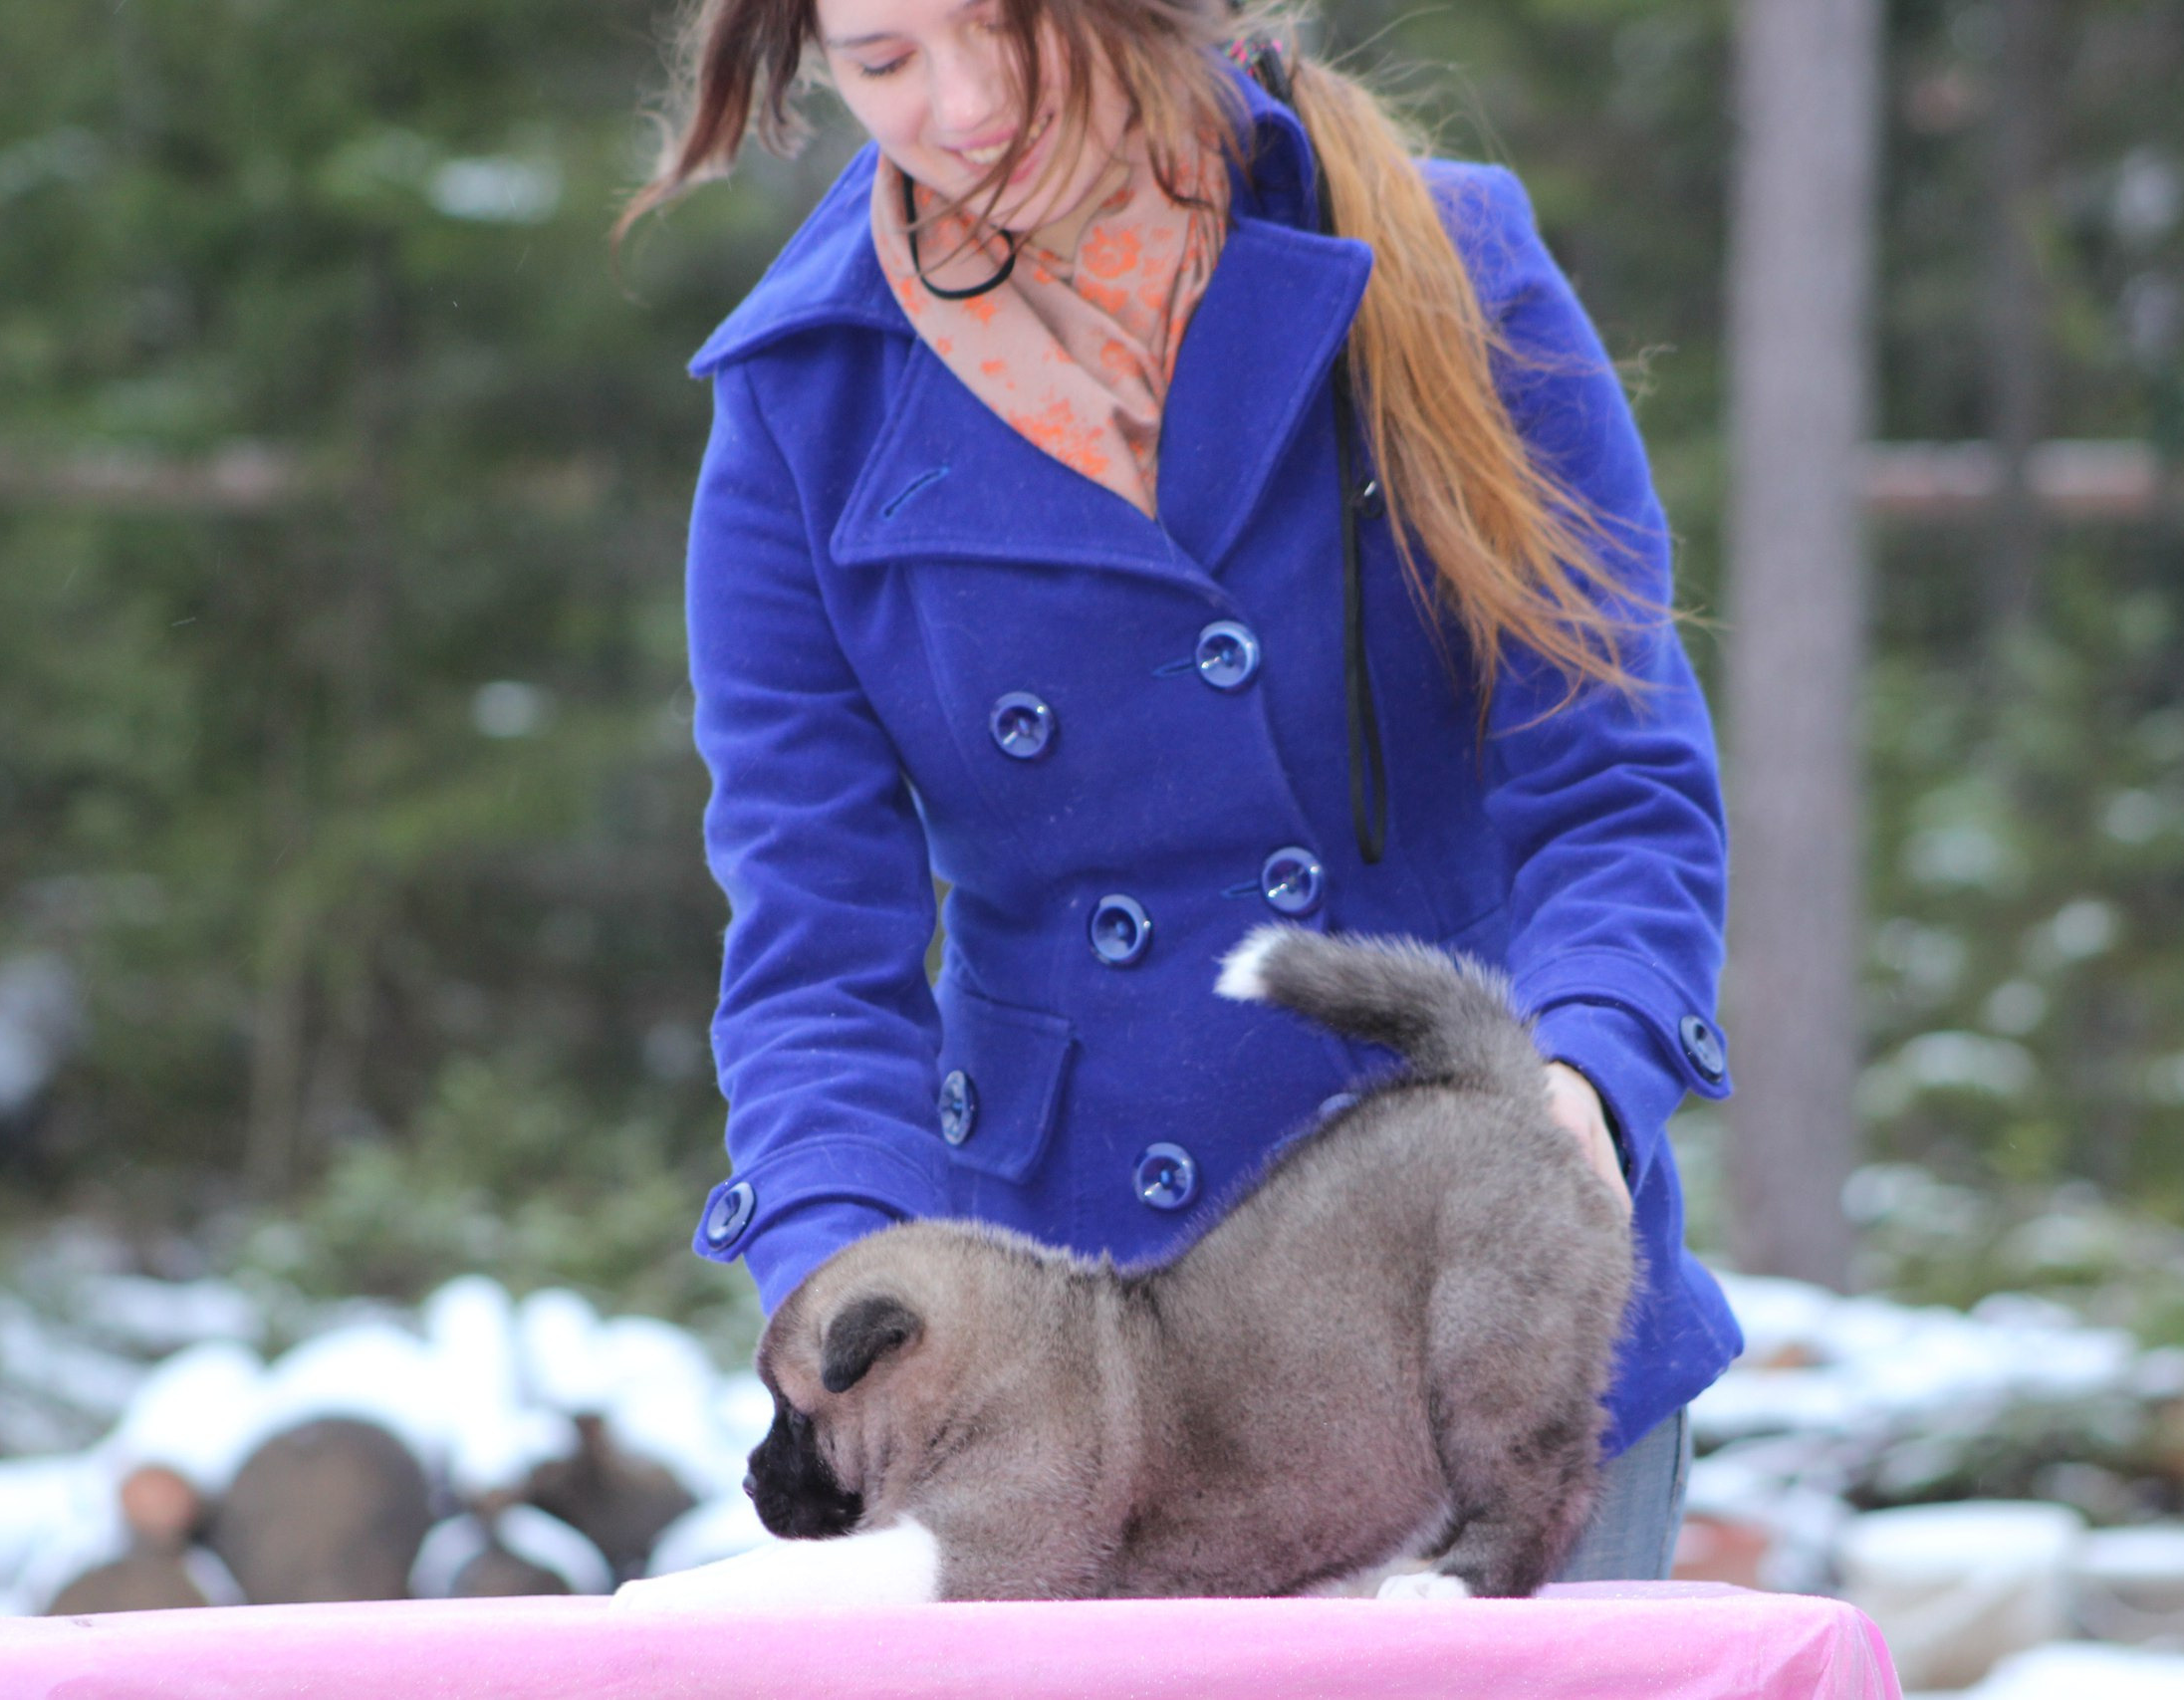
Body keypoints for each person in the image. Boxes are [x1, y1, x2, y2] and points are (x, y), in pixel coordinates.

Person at [623, 0, 1741, 1583]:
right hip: (1092, 1427)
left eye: (1006, 30)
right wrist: (854, 1314)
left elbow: (1616, 789)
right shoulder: (801, 400)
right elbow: (817, 963)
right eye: (881, 61)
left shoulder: (1445, 259)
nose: (960, 108)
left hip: (1479, 1299)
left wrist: (1575, 1102)